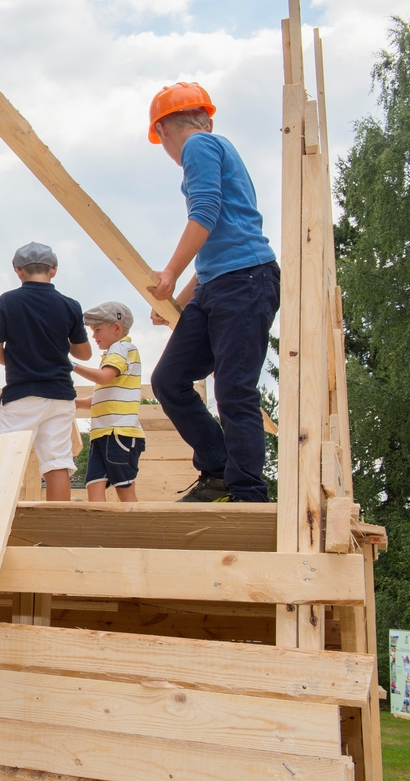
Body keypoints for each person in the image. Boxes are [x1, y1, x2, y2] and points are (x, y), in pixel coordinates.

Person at [146, 82, 280, 503]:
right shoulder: (213, 148)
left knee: (234, 388)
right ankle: (220, 471)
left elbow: (204, 213)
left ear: (165, 129)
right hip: (217, 283)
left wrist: (169, 270)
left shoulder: (199, 147)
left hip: (246, 280)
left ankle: (247, 491)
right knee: (169, 380)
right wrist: (181, 299)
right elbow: (213, 248)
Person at [0, 242, 91, 501]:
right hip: (60, 396)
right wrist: (56, 344)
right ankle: (58, 529)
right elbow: (84, 353)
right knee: (57, 461)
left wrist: (18, 363)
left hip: (22, 394)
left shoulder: (7, 301)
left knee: (7, 459)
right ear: (53, 270)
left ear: (18, 271)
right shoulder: (70, 305)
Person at [73, 302, 144, 502]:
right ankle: (100, 531)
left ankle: (136, 532)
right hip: (102, 434)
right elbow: (104, 395)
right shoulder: (113, 353)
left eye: (97, 330)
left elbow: (103, 378)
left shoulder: (121, 348)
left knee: (124, 488)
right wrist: (79, 403)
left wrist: (71, 365)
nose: (93, 336)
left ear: (116, 328)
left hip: (118, 432)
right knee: (94, 485)